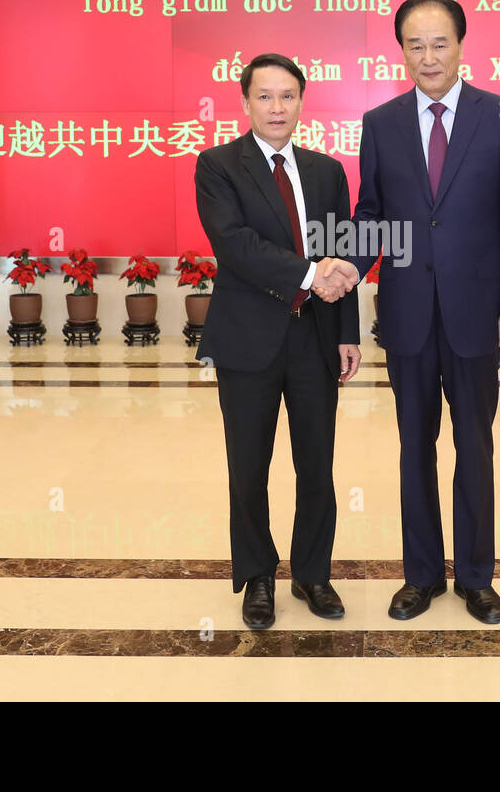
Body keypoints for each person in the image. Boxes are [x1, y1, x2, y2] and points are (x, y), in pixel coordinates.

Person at [321, 0, 500, 624]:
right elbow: (372, 215)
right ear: (401, 51)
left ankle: (475, 576)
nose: (428, 56)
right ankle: (421, 575)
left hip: (477, 312)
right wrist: (345, 267)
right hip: (409, 313)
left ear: (462, 45)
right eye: (415, 45)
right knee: (413, 446)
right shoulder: (381, 122)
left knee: (474, 445)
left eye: (439, 43)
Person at [194, 53, 362, 630]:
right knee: (250, 465)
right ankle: (258, 576)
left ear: (301, 102)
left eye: (287, 96)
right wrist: (310, 274)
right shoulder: (218, 165)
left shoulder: (326, 171)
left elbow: (342, 254)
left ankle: (314, 573)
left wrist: (347, 332)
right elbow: (234, 244)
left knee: (317, 463)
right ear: (245, 103)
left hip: (314, 338)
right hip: (247, 342)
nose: (276, 107)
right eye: (264, 96)